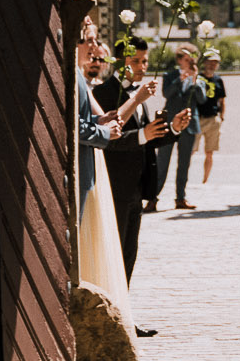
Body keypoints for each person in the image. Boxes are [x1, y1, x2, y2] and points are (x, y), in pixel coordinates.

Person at [74, 17, 164, 331]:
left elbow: (119, 124)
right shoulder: (104, 88)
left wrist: (172, 129)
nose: (141, 66)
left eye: (145, 61)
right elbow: (108, 133)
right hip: (113, 184)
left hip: (136, 186)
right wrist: (136, 107)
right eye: (136, 61)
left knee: (127, 255)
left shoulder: (111, 88)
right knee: (109, 256)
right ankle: (115, 320)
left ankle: (122, 316)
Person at [143, 44, 204, 211]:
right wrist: (181, 79)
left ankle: (180, 198)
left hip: (189, 126)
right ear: (179, 60)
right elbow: (167, 94)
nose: (190, 61)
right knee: (162, 163)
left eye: (192, 59)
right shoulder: (169, 75)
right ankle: (152, 199)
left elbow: (202, 99)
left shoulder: (199, 78)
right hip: (169, 124)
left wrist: (194, 80)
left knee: (184, 164)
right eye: (186, 59)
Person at [196, 49, 227, 187]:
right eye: (210, 62)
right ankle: (185, 178)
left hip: (213, 118)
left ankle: (205, 180)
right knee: (190, 150)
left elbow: (222, 100)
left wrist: (222, 116)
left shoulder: (218, 79)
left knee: (210, 152)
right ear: (204, 63)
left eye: (215, 63)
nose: (212, 65)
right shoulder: (198, 78)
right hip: (198, 118)